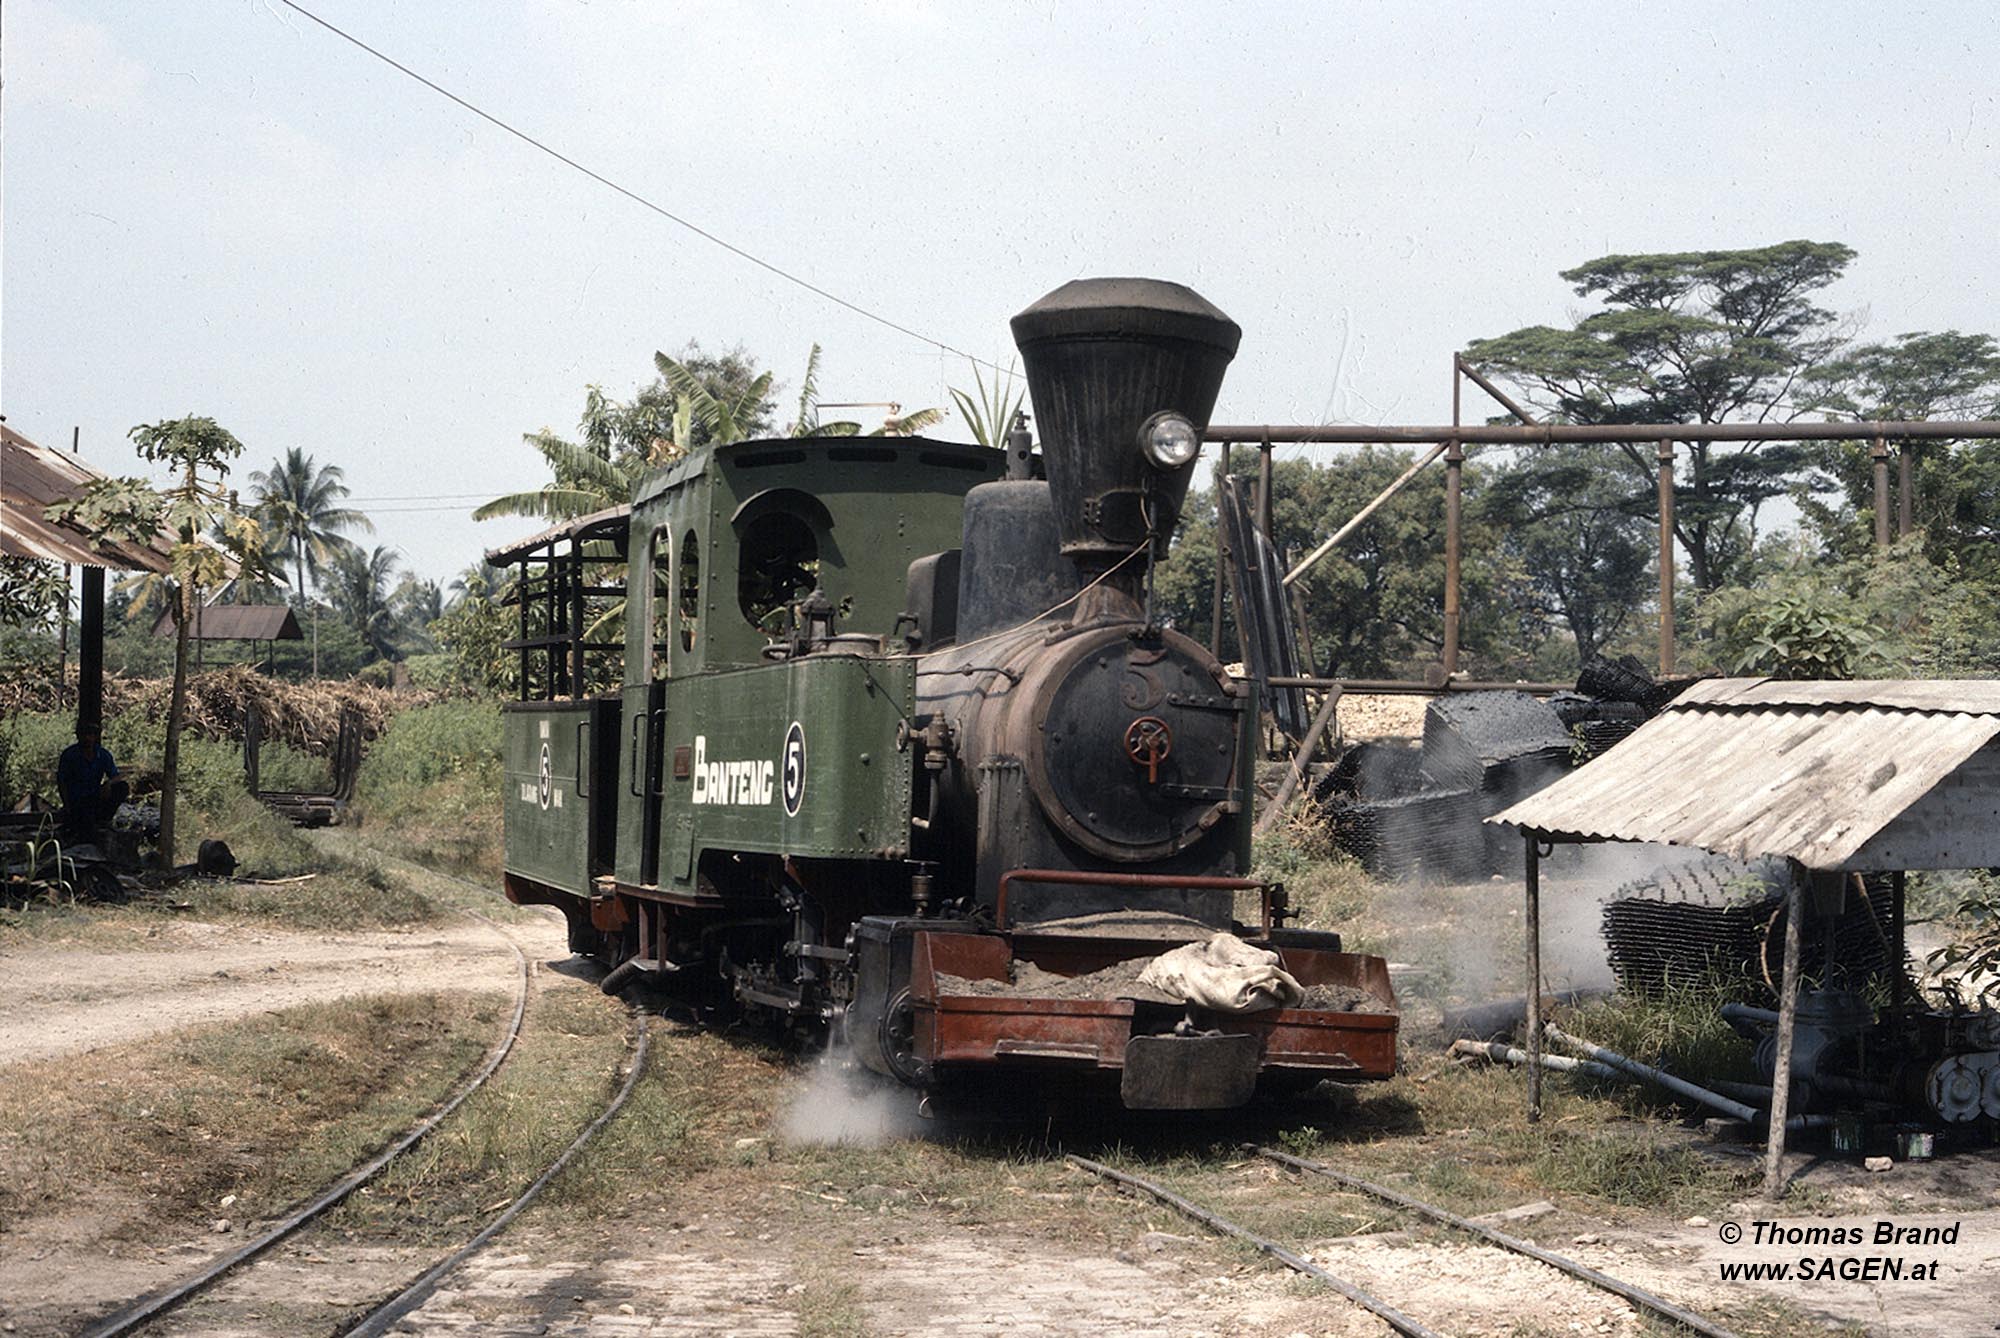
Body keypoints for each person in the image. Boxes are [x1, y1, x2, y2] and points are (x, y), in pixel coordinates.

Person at [58, 721, 128, 838]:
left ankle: (105, 819)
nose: (87, 738)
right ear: (78, 736)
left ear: (95, 737)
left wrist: (109, 783)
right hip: (78, 800)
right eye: (84, 735)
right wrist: (67, 805)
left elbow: (116, 775)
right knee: (85, 830)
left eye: (91, 735)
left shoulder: (102, 754)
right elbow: (61, 782)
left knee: (122, 787)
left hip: (95, 795)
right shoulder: (70, 755)